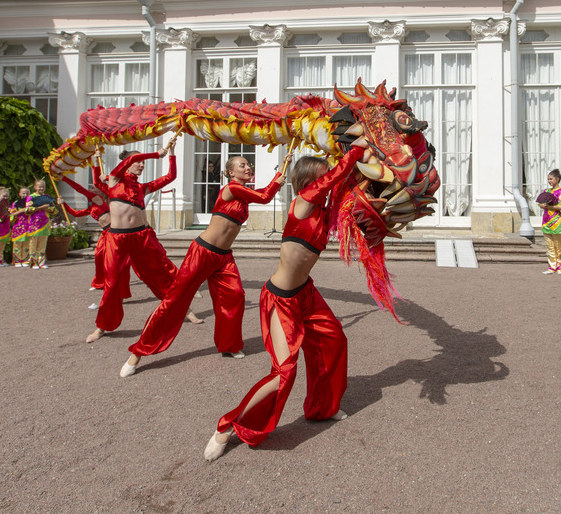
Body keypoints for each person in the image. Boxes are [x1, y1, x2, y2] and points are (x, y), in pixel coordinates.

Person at [203, 147, 365, 462]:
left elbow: (348, 181)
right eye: (323, 176)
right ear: (309, 181)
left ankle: (321, 409)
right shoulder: (303, 203)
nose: (328, 180)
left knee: (334, 340)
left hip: (306, 293)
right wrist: (354, 151)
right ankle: (227, 426)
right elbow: (336, 175)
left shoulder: (322, 210)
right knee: (284, 371)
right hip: (281, 298)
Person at [120, 149, 295, 377]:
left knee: (235, 297)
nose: (247, 167)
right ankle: (137, 353)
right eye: (242, 165)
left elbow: (262, 194)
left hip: (223, 258)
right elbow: (265, 197)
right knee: (174, 301)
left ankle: (229, 345)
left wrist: (282, 167)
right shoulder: (232, 189)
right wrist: (277, 179)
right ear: (231, 172)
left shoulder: (242, 194)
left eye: (248, 164)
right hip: (202, 253)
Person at [86, 135, 180, 344]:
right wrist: (157, 153)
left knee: (158, 272)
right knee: (112, 283)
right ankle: (102, 327)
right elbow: (123, 164)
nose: (141, 166)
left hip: (140, 236)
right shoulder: (114, 179)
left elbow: (170, 177)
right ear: (127, 164)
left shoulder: (142, 187)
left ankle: (182, 308)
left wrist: (171, 154)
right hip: (117, 239)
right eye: (138, 162)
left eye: (144, 163)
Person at [539, 169, 561, 275]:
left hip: (556, 221)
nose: (549, 181)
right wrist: (542, 205)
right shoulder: (547, 191)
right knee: (549, 245)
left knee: (558, 245)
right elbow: (540, 203)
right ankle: (552, 266)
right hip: (546, 221)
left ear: (557, 179)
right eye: (548, 179)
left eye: (551, 179)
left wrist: (549, 206)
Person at [26, 178, 56, 269]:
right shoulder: (31, 197)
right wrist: (41, 207)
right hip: (34, 223)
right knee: (33, 243)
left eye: (43, 187)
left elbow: (53, 209)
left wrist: (47, 208)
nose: (41, 188)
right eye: (40, 187)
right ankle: (33, 262)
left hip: (45, 223)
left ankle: (41, 262)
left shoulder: (47, 197)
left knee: (42, 244)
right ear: (35, 187)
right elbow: (28, 209)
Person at [9, 185, 31, 267]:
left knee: (26, 243)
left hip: (28, 225)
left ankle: (25, 259)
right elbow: (12, 215)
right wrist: (20, 211)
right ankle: (17, 260)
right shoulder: (15, 203)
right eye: (23, 193)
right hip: (18, 225)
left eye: (27, 193)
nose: (25, 195)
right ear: (19, 194)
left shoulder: (31, 203)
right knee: (18, 244)